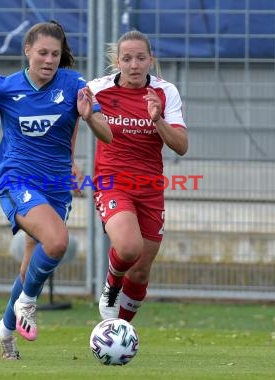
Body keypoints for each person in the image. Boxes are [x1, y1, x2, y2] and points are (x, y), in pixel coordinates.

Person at [0, 21, 112, 360]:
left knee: (32, 262)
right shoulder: (6, 87)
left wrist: (89, 118)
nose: (48, 60)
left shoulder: (75, 84)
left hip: (57, 185)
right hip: (17, 179)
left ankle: (5, 331)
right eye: (42, 53)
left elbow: (106, 135)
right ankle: (27, 304)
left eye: (55, 54)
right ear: (27, 51)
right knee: (58, 241)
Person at [87, 30, 188, 322]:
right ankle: (111, 286)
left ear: (151, 61)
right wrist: (69, 162)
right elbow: (72, 119)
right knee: (129, 248)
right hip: (111, 181)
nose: (134, 65)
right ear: (117, 61)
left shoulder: (165, 92)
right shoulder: (98, 89)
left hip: (150, 185)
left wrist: (157, 120)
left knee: (142, 269)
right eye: (127, 58)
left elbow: (181, 146)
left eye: (140, 58)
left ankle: (118, 332)